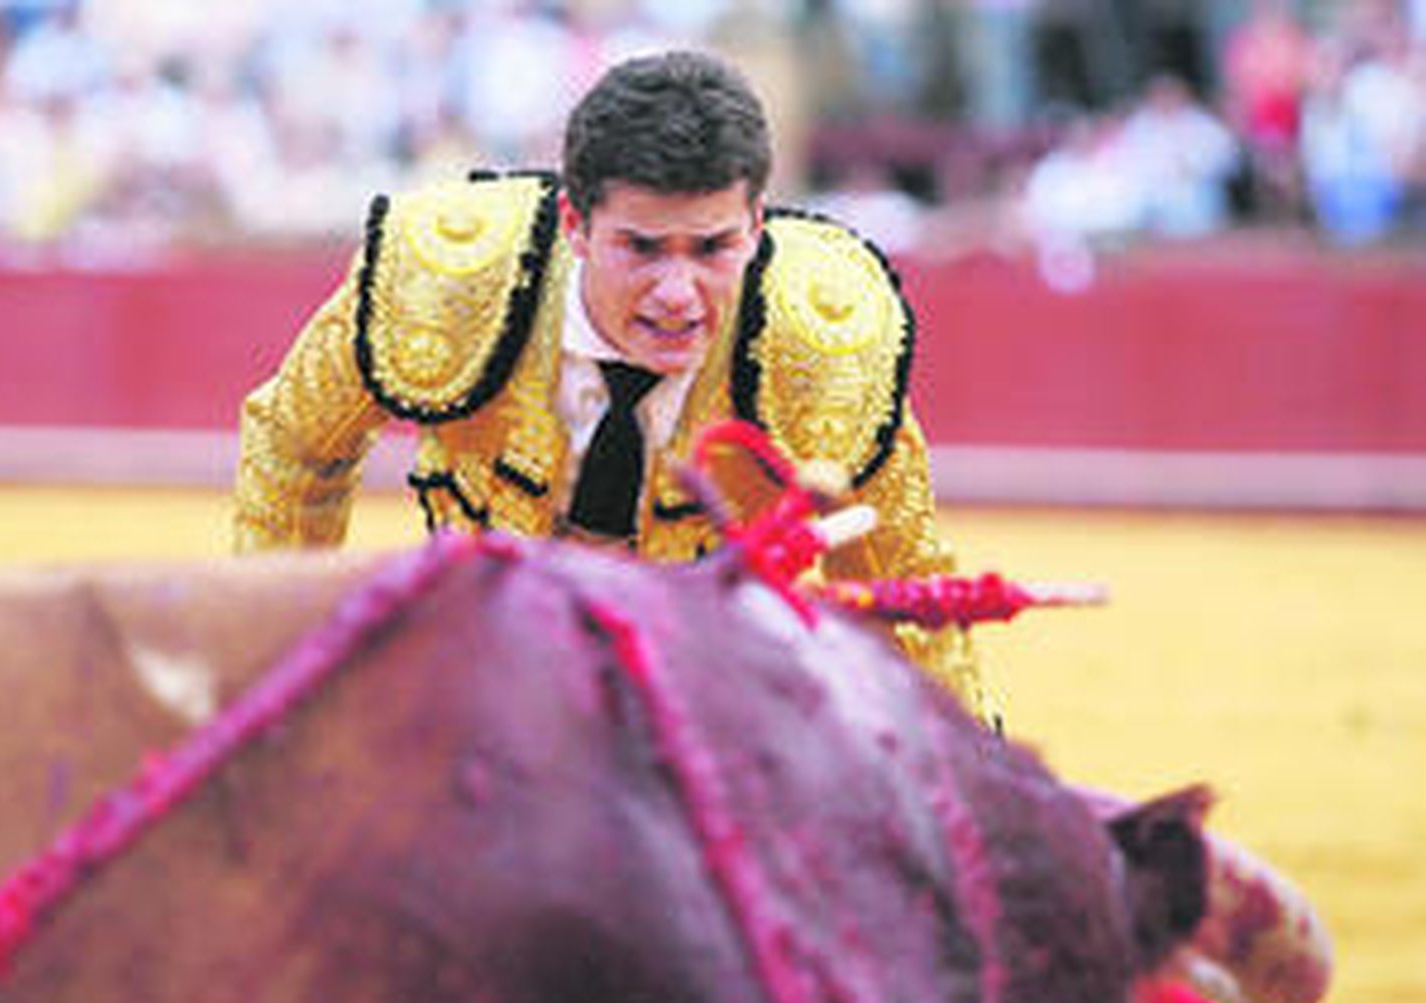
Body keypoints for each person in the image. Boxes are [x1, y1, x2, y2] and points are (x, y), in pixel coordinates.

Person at [231, 49, 995, 724]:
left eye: (712, 247)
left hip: (708, 701)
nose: (677, 292)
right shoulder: (447, 274)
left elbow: (905, 593)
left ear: (757, 224)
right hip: (478, 677)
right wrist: (278, 672)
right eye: (641, 247)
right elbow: (294, 439)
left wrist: (972, 808)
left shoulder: (822, 337)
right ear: (574, 223)